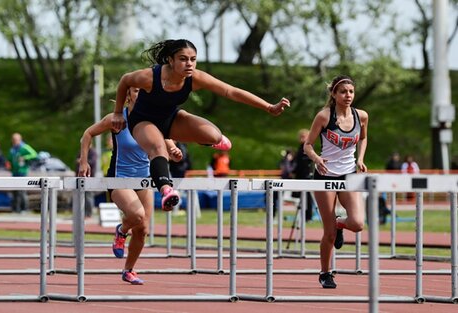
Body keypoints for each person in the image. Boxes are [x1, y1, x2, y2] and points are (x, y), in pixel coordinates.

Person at [111, 39, 290, 211]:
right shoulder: (150, 77)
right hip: (143, 121)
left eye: (193, 59)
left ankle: (208, 139)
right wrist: (118, 113)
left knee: (214, 135)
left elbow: (231, 91)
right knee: (159, 148)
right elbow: (125, 81)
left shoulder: (195, 78)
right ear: (170, 60)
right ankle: (166, 190)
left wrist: (268, 107)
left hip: (170, 118)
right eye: (183, 59)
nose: (189, 64)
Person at [78, 86, 183, 285]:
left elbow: (166, 143)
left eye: (144, 92)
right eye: (135, 91)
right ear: (128, 96)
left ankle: (129, 270)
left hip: (144, 179)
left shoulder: (153, 121)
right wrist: (84, 161)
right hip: (119, 179)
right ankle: (121, 230)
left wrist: (174, 151)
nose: (140, 95)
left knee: (143, 229)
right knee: (136, 215)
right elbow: (87, 134)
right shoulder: (117, 119)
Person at [303, 75, 368, 289]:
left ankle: (341, 223)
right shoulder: (324, 116)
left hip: (349, 174)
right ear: (334, 94)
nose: (347, 95)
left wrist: (360, 159)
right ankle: (325, 273)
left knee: (357, 224)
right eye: (343, 92)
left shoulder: (362, 116)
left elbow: (364, 137)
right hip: (326, 175)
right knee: (328, 233)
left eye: (351, 91)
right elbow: (308, 145)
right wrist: (317, 159)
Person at [7, 133, 38, 213]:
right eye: (13, 139)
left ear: (20, 139)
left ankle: (24, 208)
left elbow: (34, 154)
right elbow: (10, 159)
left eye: (16, 139)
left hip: (22, 171)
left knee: (22, 191)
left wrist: (25, 157)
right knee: (15, 191)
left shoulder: (24, 147)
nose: (14, 141)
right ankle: (16, 209)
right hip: (14, 172)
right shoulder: (13, 149)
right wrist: (8, 163)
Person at [292, 129, 314, 221]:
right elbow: (298, 162)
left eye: (304, 136)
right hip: (300, 174)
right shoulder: (301, 147)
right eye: (301, 136)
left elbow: (304, 162)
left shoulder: (307, 147)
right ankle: (304, 214)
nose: (302, 138)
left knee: (307, 196)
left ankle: (308, 215)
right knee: (303, 196)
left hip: (305, 175)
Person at [75, 146, 97, 217]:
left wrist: (83, 161)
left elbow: (92, 162)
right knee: (81, 196)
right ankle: (82, 213)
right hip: (80, 178)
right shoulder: (81, 152)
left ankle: (89, 214)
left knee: (88, 196)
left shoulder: (92, 152)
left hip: (89, 177)